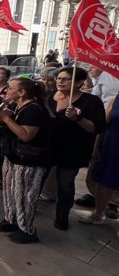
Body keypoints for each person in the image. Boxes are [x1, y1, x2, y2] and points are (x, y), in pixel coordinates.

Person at [0, 78, 50, 243]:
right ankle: (11, 219)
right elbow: (13, 126)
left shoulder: (33, 110)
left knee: (24, 196)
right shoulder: (16, 106)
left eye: (11, 88)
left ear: (21, 92)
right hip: (14, 156)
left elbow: (26, 135)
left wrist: (6, 118)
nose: (7, 90)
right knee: (10, 191)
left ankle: (27, 230)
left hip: (29, 160)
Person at [47, 67, 106, 230]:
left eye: (66, 79)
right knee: (40, 179)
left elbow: (96, 127)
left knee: (65, 183)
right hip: (46, 149)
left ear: (80, 83)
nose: (60, 81)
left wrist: (78, 118)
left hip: (72, 151)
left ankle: (62, 216)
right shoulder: (48, 96)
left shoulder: (91, 102)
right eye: (58, 78)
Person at [79, 93, 119, 226]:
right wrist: (96, 146)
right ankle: (97, 214)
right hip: (111, 146)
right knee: (104, 182)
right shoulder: (116, 99)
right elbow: (104, 125)